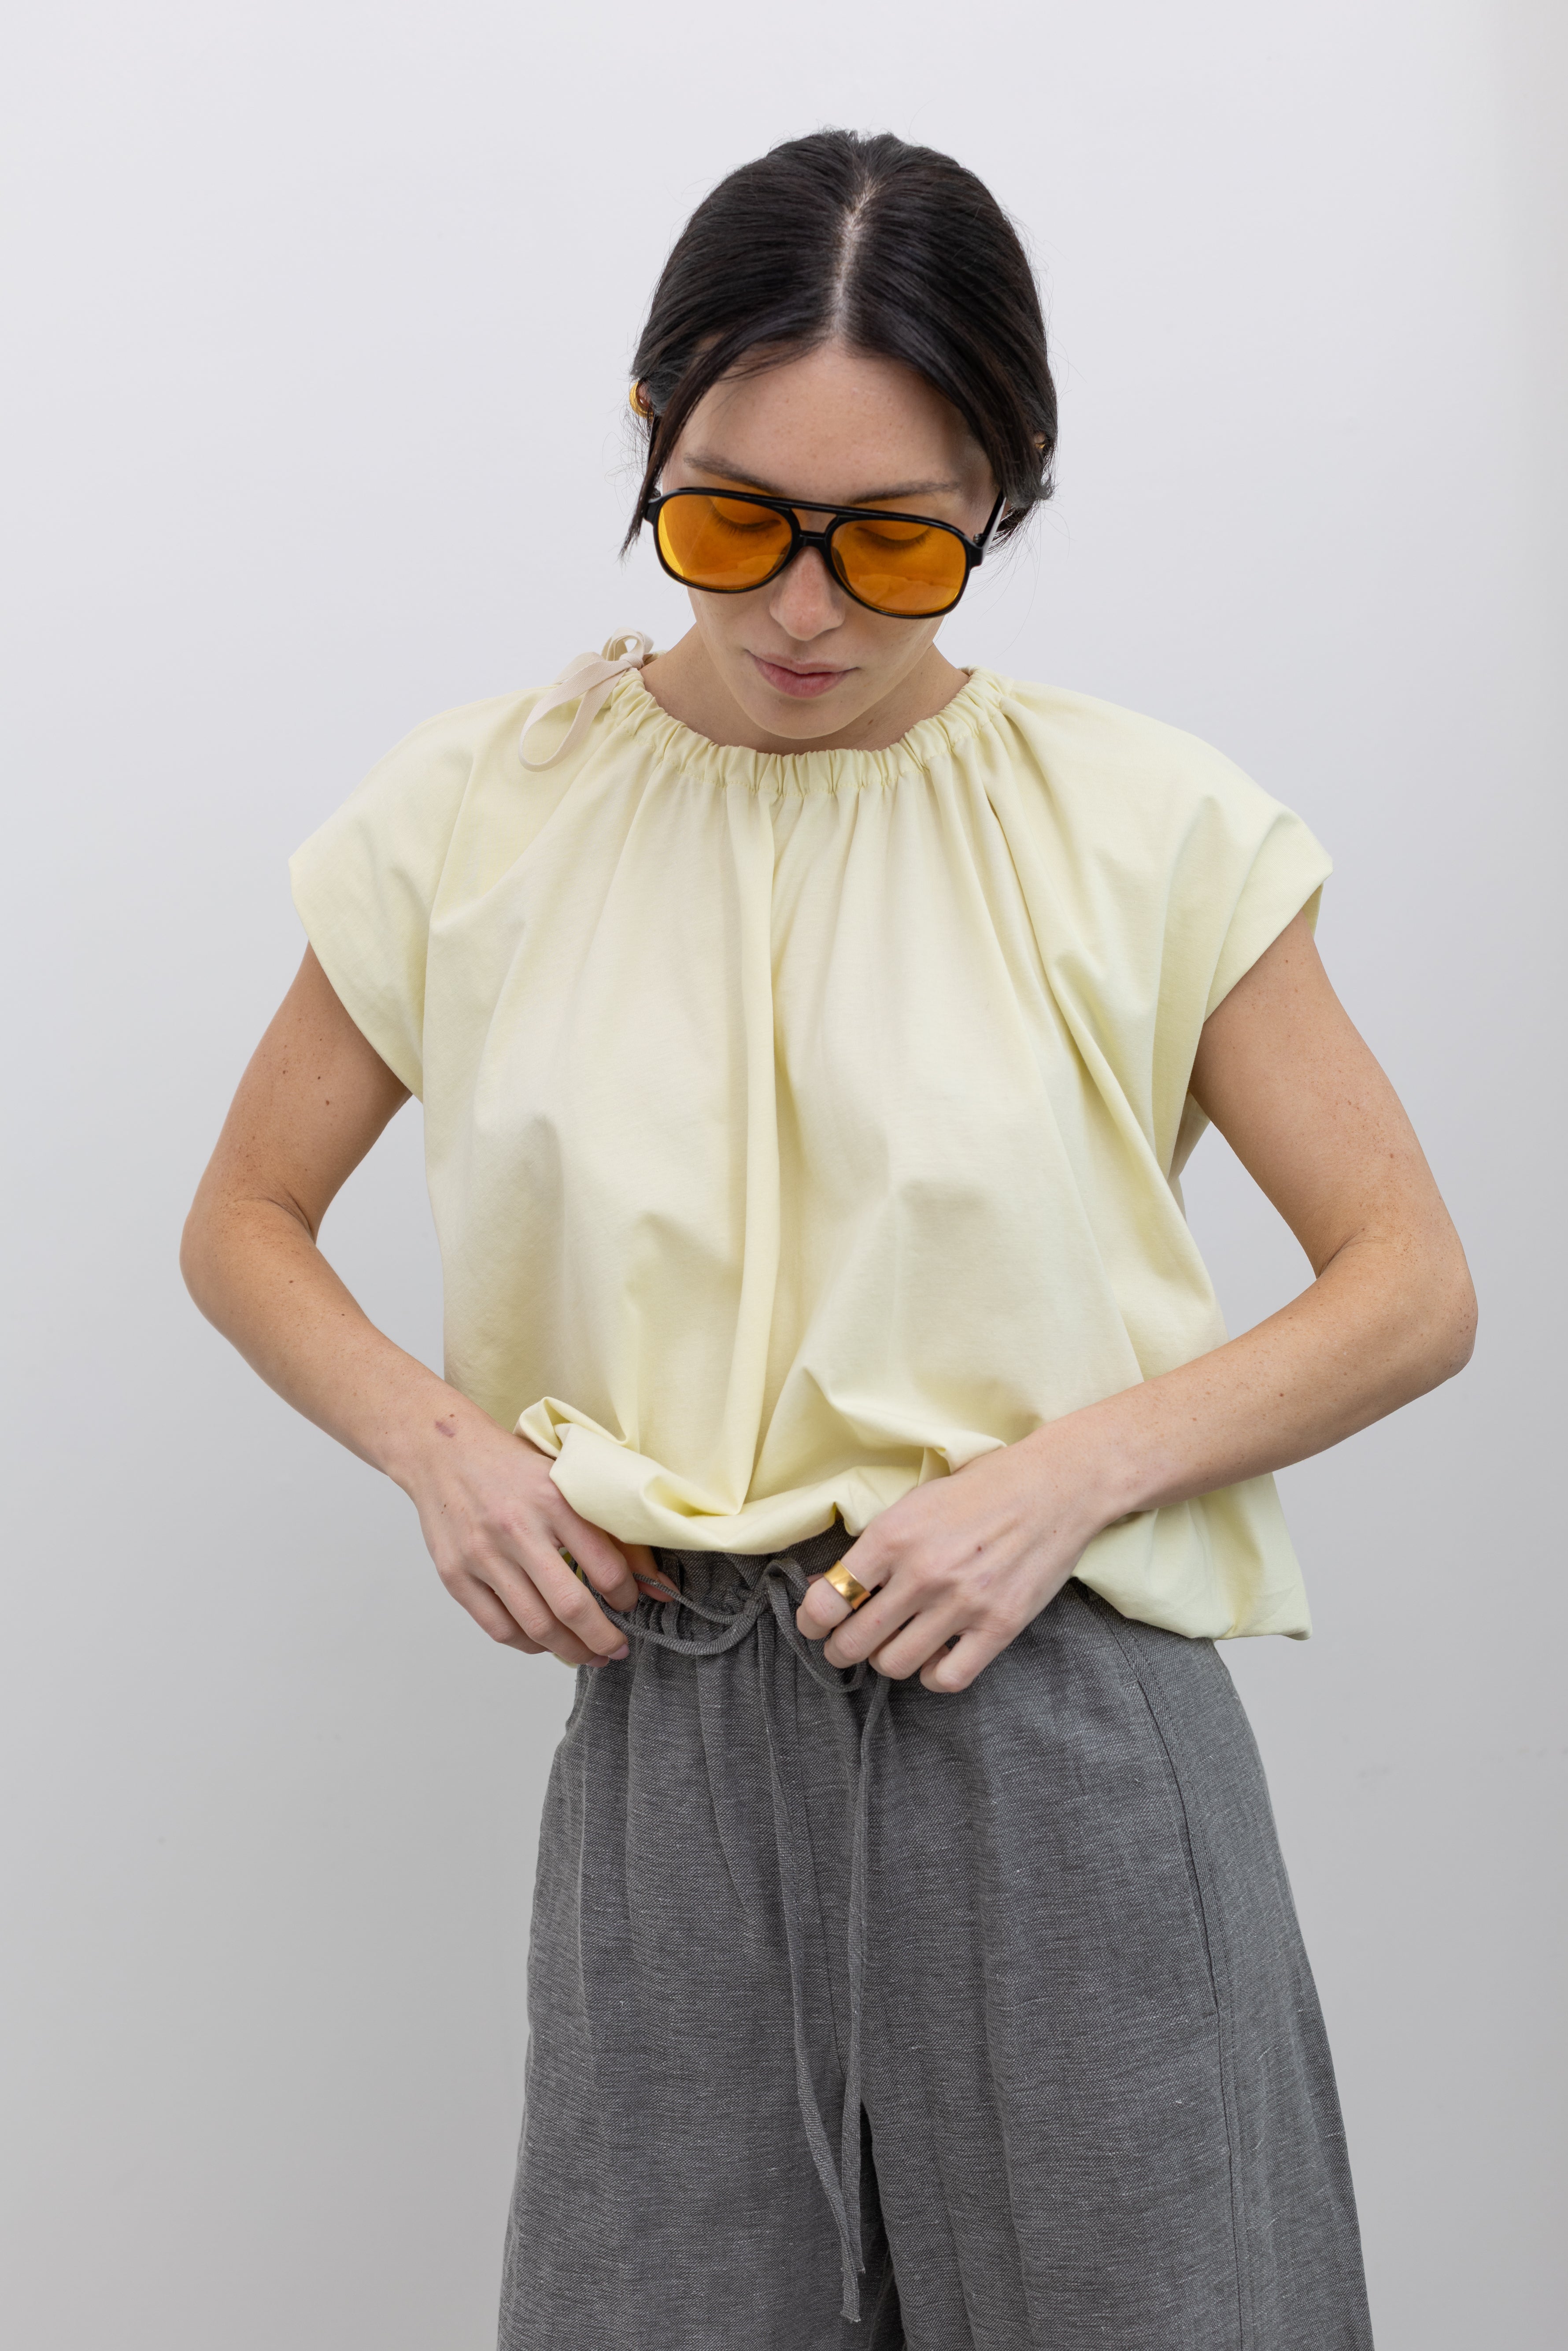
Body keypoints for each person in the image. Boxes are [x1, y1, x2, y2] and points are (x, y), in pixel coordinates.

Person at [181, 129, 1475, 2351]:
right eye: (727, 523)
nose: (798, 610)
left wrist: (1061, 1478)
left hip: (1052, 1711)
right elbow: (245, 1217)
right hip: (668, 1724)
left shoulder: (1140, 828)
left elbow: (1407, 1282)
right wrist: (440, 1448)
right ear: (645, 438)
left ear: (1007, 489)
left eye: (891, 544)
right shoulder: (478, 815)